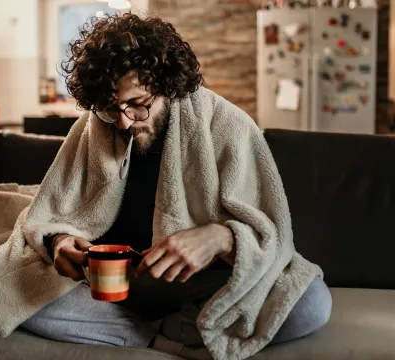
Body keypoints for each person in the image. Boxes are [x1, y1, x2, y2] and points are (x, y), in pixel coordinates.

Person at [18, 13, 332, 360]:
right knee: (11, 290)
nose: (123, 122)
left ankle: (146, 331)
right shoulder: (93, 127)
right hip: (113, 286)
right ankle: (169, 340)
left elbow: (272, 235)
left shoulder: (229, 125)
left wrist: (222, 238)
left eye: (138, 105)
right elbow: (48, 212)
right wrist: (59, 242)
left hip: (198, 286)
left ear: (168, 86)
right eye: (111, 108)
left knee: (309, 303)